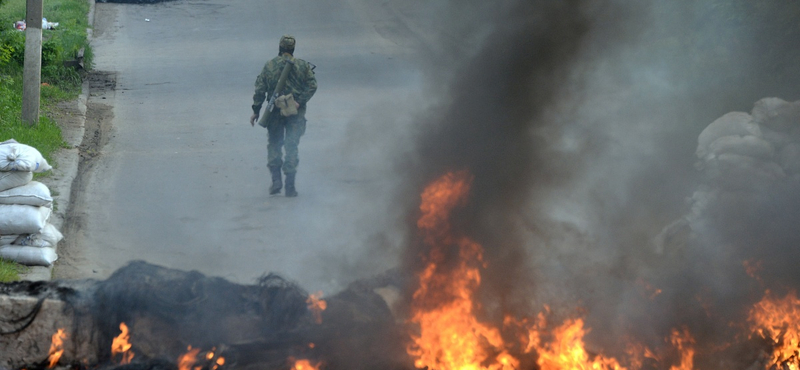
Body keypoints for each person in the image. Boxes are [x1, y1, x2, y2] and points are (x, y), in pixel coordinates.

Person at [250, 35, 317, 197]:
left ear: (280, 48)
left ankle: (276, 181)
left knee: (274, 145)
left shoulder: (270, 65)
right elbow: (312, 86)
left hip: (274, 113)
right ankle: (290, 186)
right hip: (295, 114)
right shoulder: (302, 66)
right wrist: (299, 102)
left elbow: (260, 89)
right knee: (291, 146)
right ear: (293, 49)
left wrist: (256, 110)